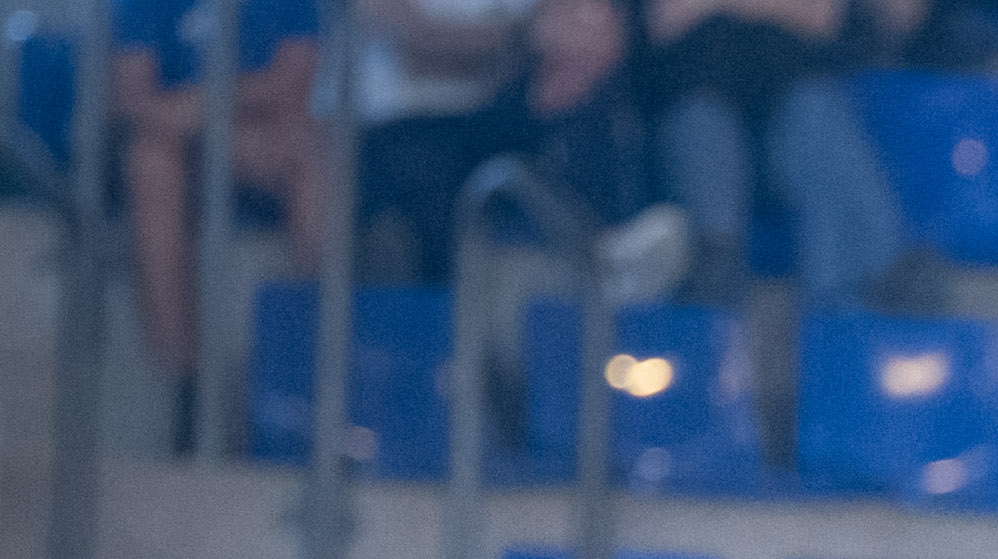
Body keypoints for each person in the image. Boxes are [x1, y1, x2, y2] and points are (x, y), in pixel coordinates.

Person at [353, 0, 685, 296]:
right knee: (421, 162)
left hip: (507, 108)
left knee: (581, 91)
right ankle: (575, 266)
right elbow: (410, 38)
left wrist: (553, 44)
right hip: (407, 129)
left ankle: (600, 253)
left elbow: (585, 32)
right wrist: (522, 34)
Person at [112, 0, 323, 451]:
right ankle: (185, 383)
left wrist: (206, 102)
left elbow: (293, 83)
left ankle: (302, 370)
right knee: (150, 161)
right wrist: (202, 111)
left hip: (245, 135)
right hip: (173, 137)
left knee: (313, 156)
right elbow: (131, 97)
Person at [638, 0, 925, 312]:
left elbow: (827, 20)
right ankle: (708, 300)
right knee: (703, 126)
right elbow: (661, 22)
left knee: (814, 115)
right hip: (694, 107)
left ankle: (845, 307)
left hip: (791, 113)